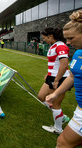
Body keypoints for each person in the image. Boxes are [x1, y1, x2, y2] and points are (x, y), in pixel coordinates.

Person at [46, 10, 82, 147]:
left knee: (62, 143)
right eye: (66, 38)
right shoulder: (78, 53)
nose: (68, 42)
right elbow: (72, 76)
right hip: (79, 108)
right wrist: (55, 94)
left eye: (71, 38)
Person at [38, 27, 70, 134]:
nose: (44, 40)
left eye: (45, 38)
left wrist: (57, 80)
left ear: (51, 36)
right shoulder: (54, 46)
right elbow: (55, 63)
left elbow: (64, 64)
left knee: (55, 104)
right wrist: (49, 74)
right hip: (51, 77)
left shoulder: (60, 45)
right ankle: (61, 116)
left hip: (59, 78)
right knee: (41, 97)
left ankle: (58, 129)